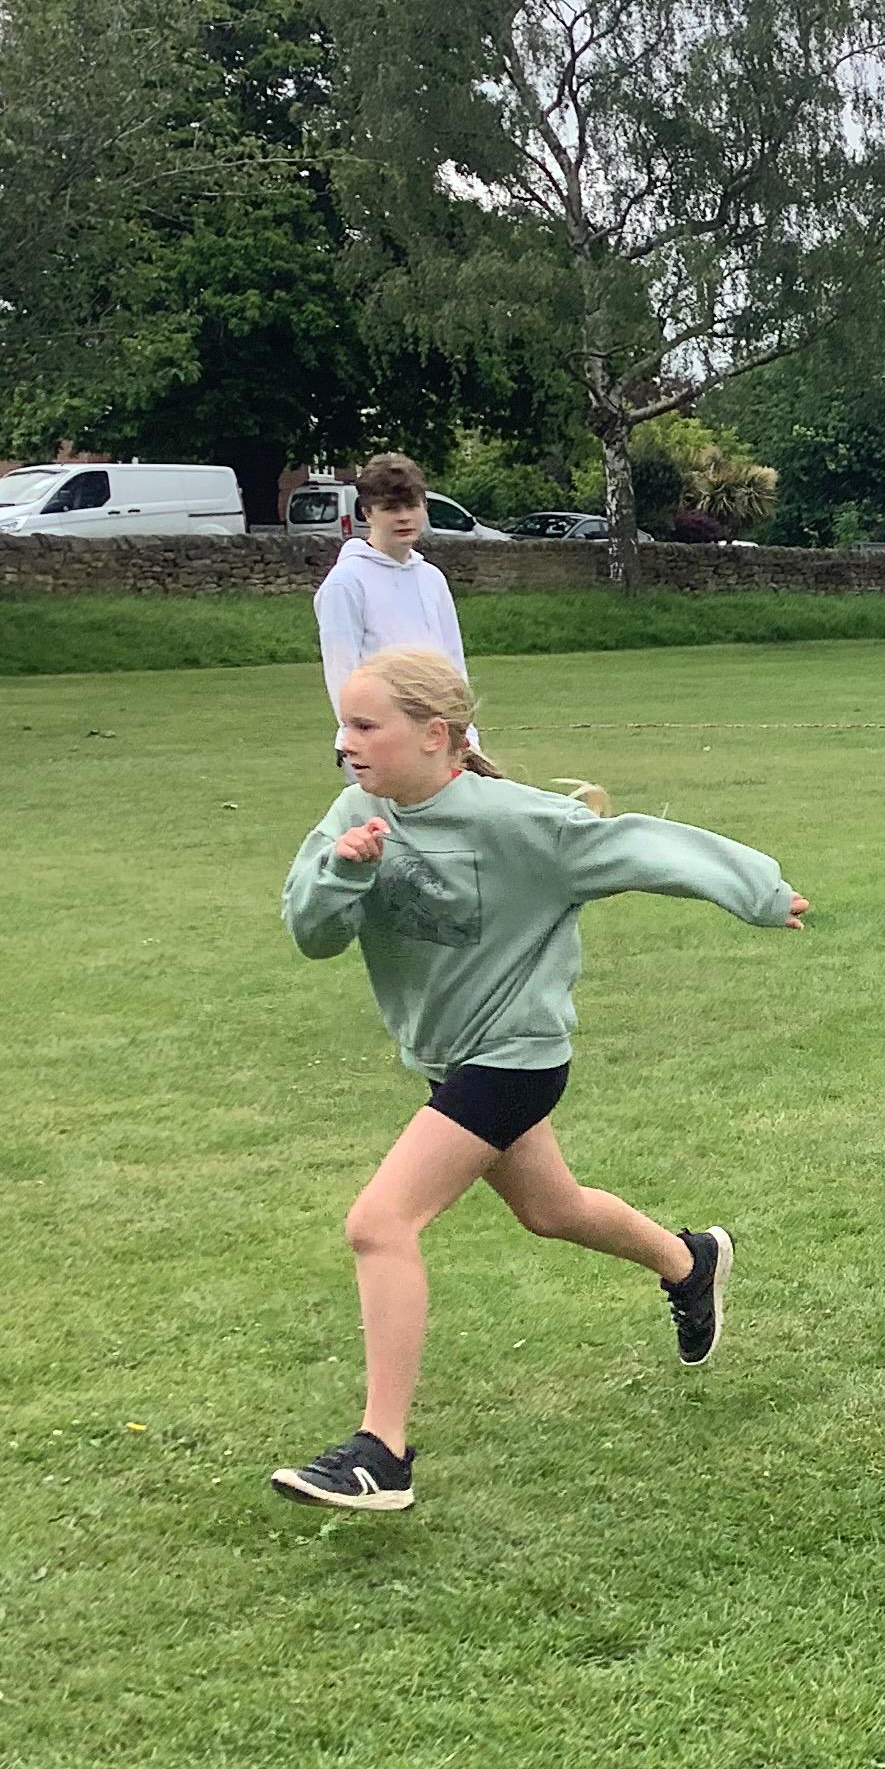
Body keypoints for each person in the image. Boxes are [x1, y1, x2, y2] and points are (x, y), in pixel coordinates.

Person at [270, 647, 807, 1513]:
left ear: (435, 734)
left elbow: (638, 845)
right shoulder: (354, 813)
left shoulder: (517, 822)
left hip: (516, 1057)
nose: (345, 742)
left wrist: (759, 892)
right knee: (552, 1210)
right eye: (343, 725)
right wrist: (346, 868)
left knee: (380, 1223)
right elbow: (312, 935)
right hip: (448, 1059)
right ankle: (689, 1262)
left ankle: (381, 1454)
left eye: (366, 725)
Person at [313, 454, 472, 752]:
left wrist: (465, 734)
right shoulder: (345, 582)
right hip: (379, 746)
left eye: (412, 506)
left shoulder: (431, 578)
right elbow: (342, 676)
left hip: (439, 740)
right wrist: (363, 741)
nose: (404, 517)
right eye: (391, 508)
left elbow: (453, 665)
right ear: (368, 512)